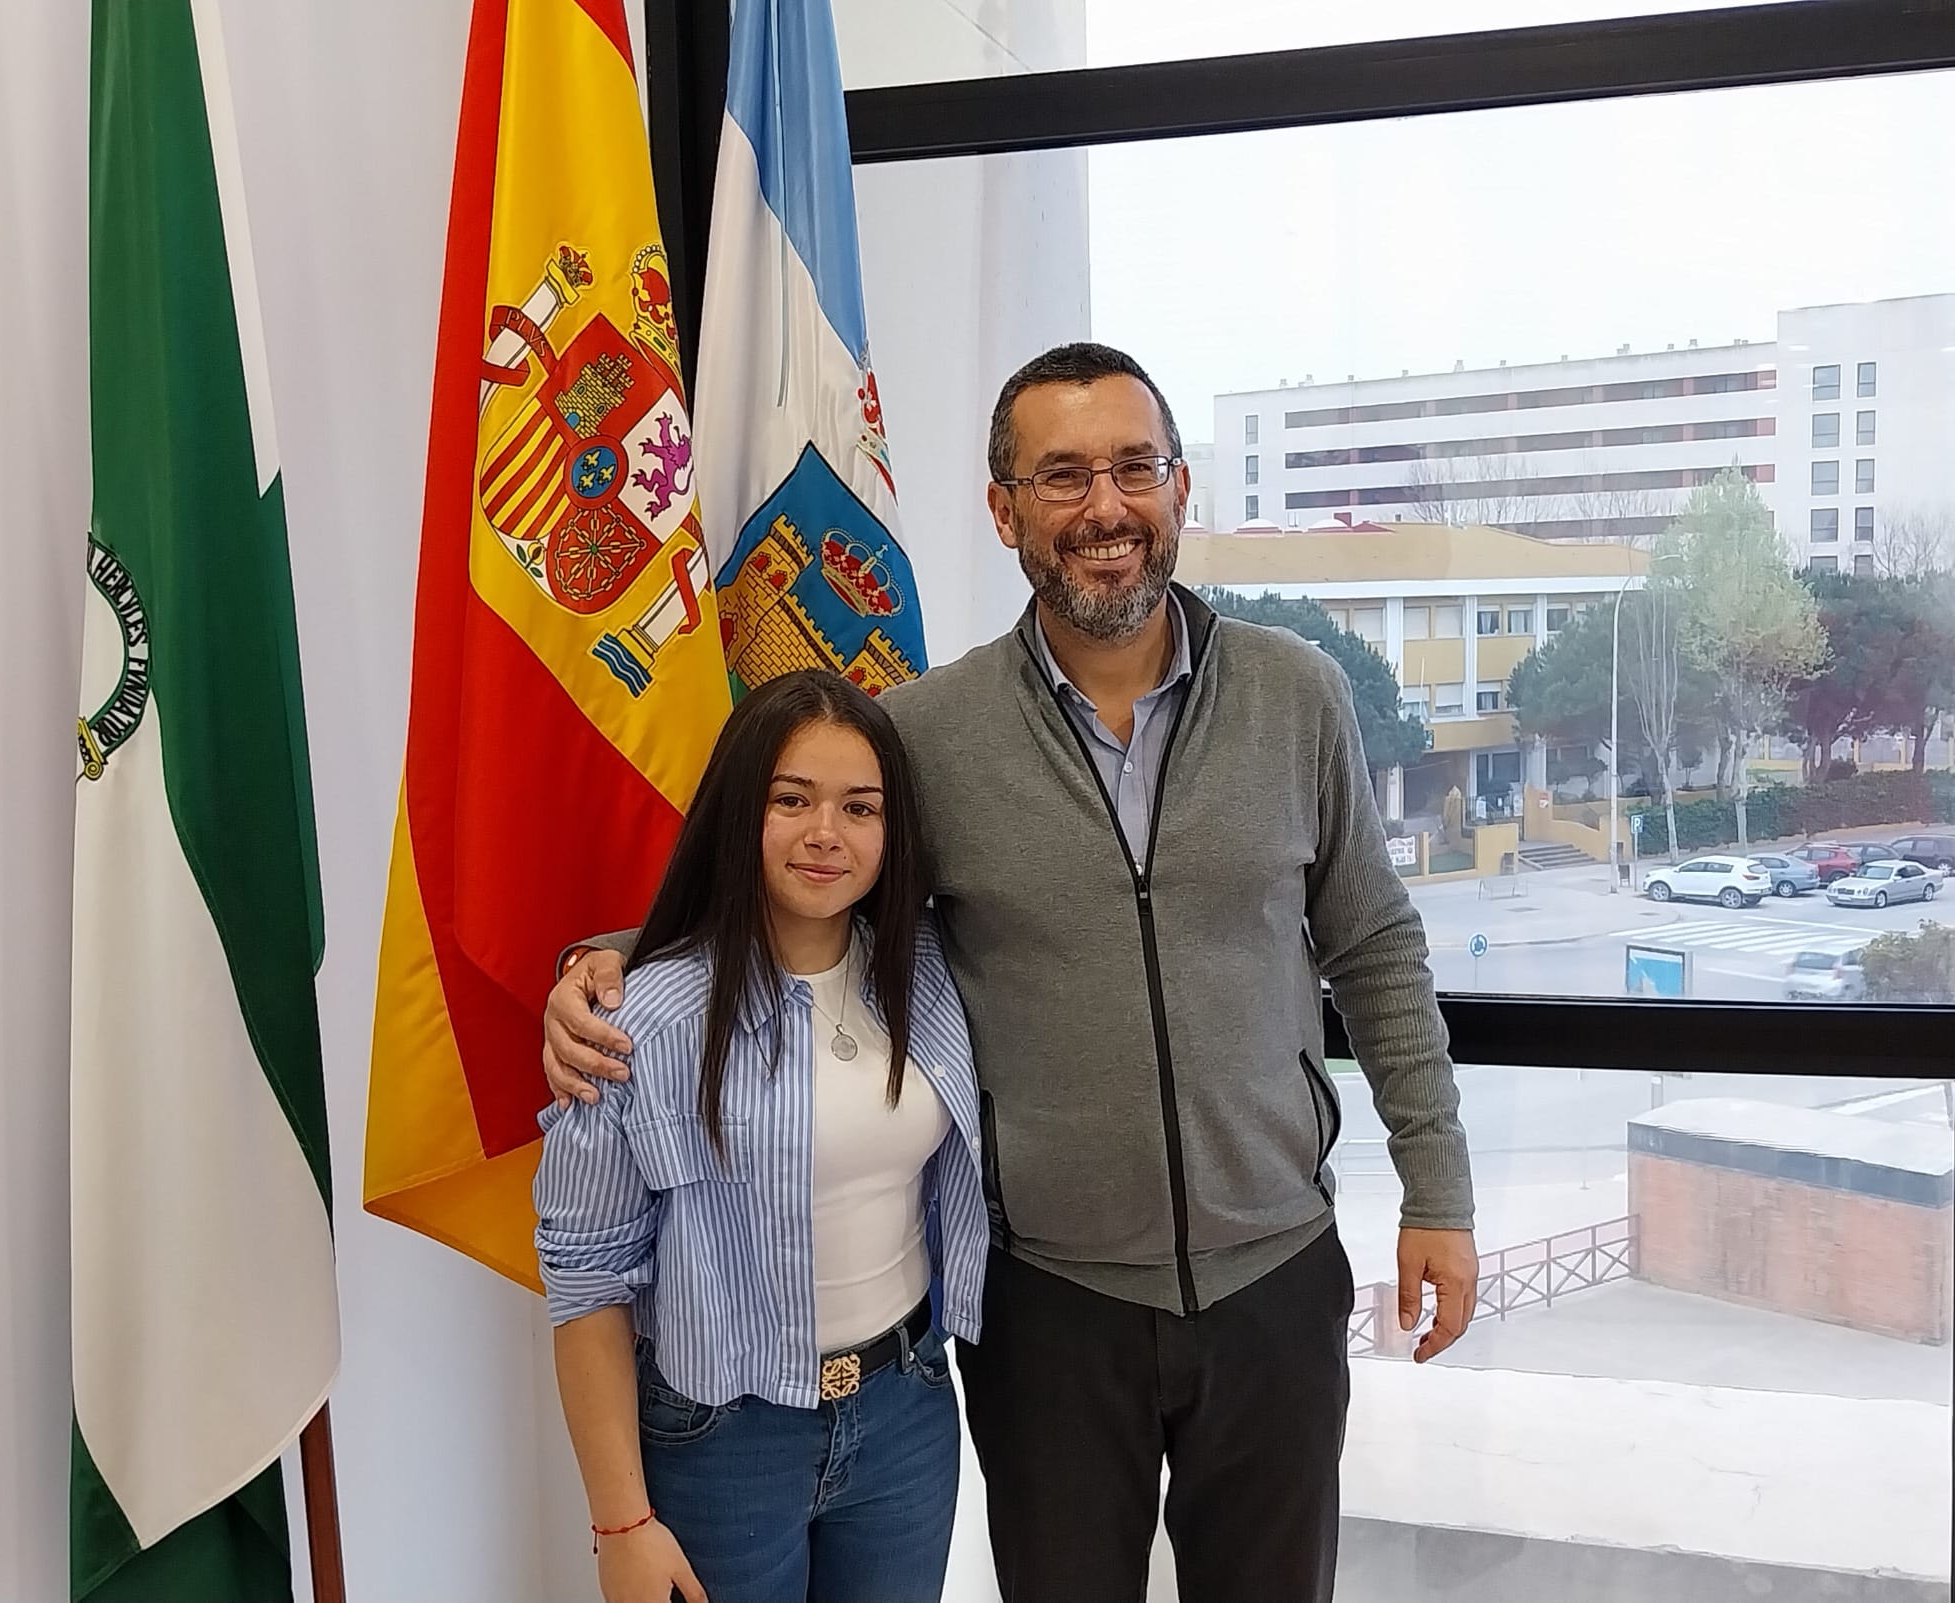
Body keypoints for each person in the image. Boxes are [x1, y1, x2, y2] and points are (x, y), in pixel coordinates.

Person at [545, 343, 1479, 1603]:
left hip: (1273, 1280)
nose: (1105, 506)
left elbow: (1372, 945)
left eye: (1132, 466)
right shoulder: (927, 735)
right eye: (1060, 475)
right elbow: (795, 885)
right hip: (1044, 1306)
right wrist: (599, 963)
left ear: (1178, 488)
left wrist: (1439, 1188)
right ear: (1003, 512)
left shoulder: (1295, 696)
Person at [533, 669, 988, 1603]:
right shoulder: (638, 1022)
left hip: (906, 1411)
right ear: (742, 811)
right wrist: (620, 1522)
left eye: (860, 807)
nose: (828, 832)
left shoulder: (931, 972)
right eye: (793, 799)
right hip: (721, 1441)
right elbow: (584, 1282)